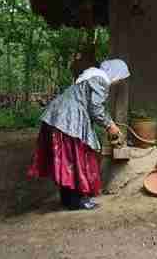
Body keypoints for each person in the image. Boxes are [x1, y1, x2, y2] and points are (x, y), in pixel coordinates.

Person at [27, 59, 129, 210]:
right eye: (120, 77)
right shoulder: (100, 80)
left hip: (57, 117)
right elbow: (96, 109)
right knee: (78, 159)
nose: (118, 81)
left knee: (67, 160)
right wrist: (110, 126)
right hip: (68, 120)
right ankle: (78, 201)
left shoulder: (90, 77)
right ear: (115, 72)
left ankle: (68, 200)